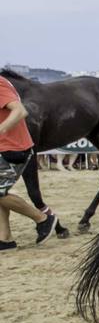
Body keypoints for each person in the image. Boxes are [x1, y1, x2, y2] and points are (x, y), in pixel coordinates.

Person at [0, 72, 60, 250]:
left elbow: (20, 110)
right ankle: (5, 239)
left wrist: (1, 129)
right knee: (0, 193)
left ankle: (43, 219)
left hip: (13, 148)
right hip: (6, 147)